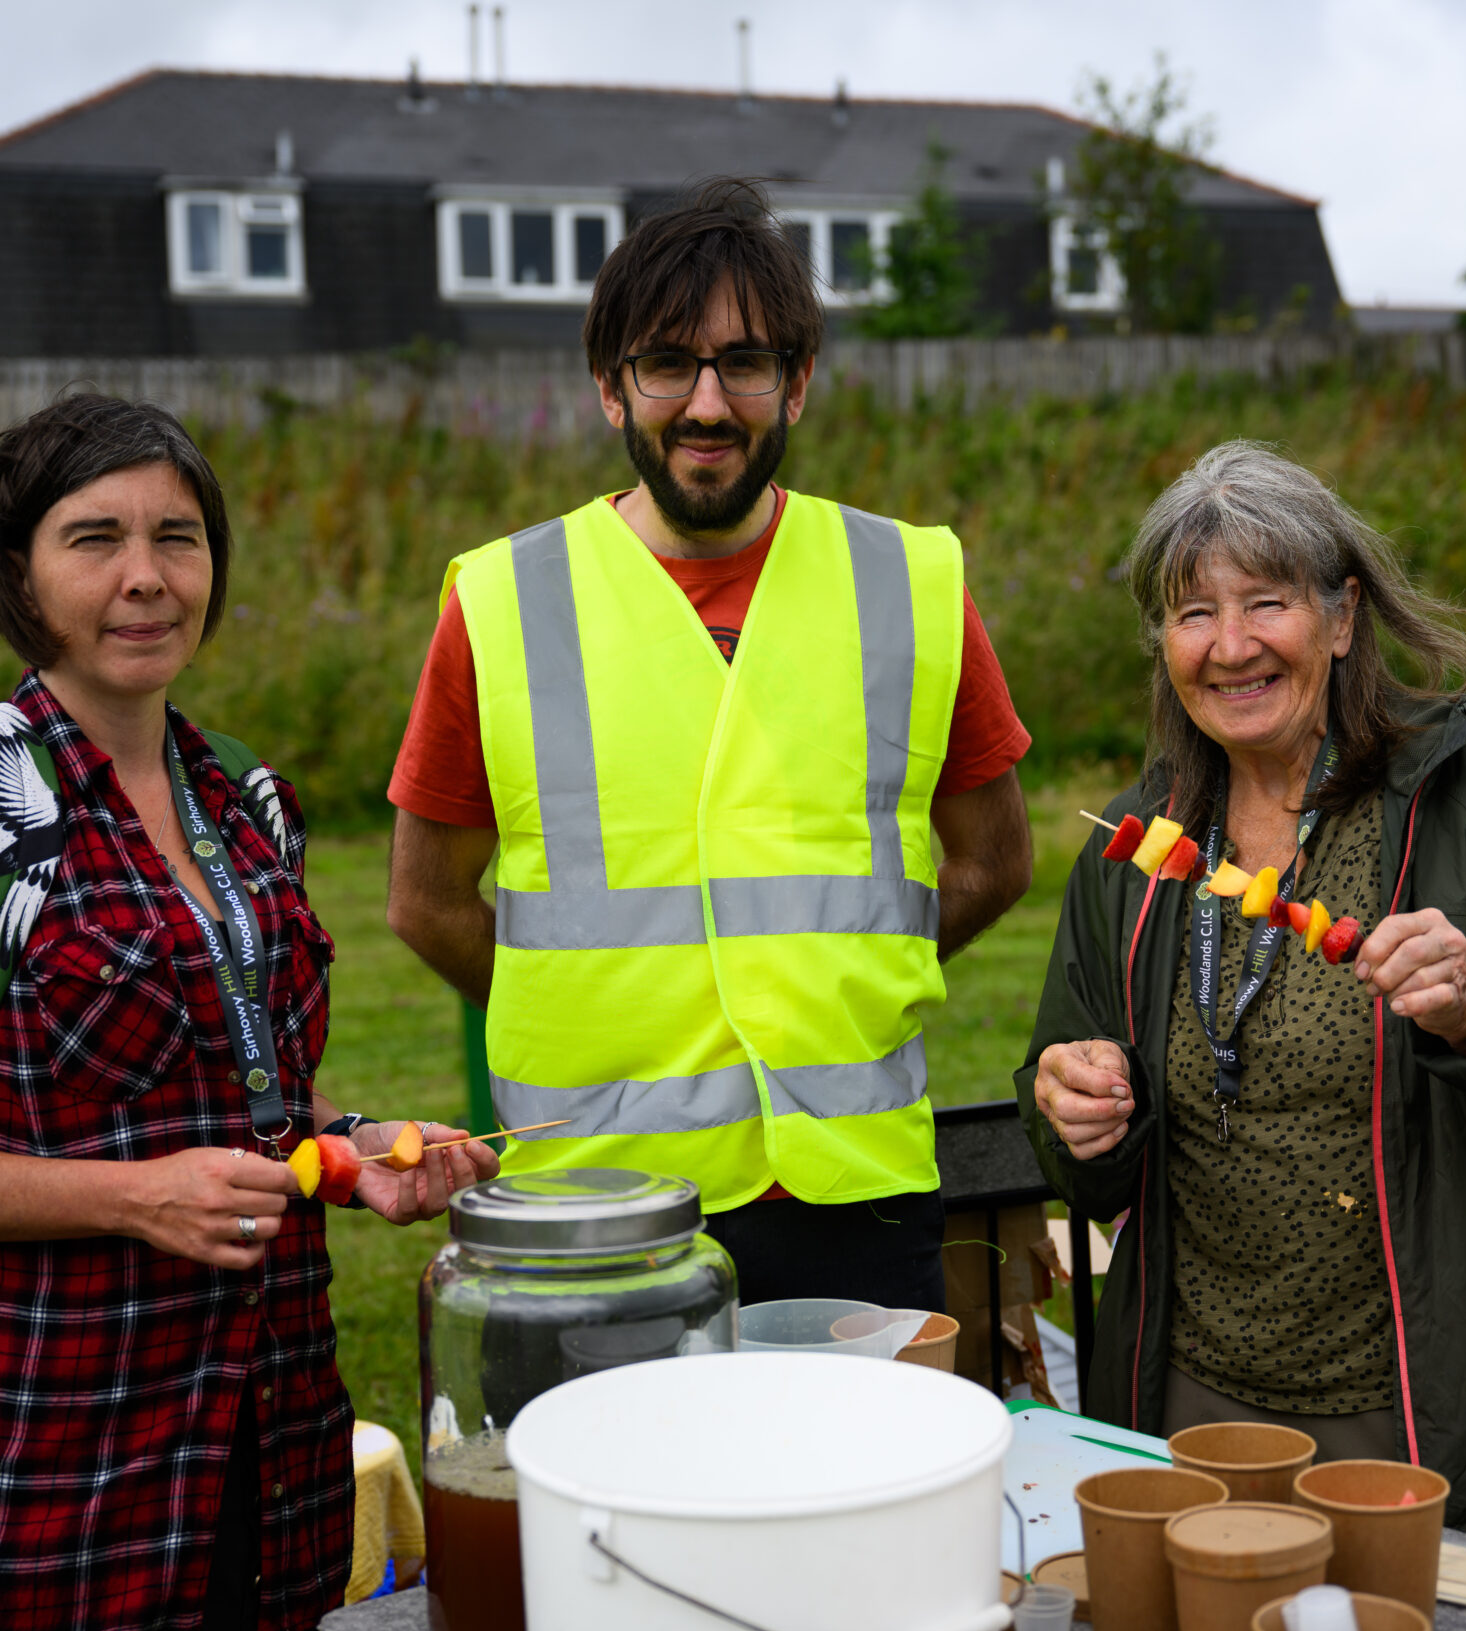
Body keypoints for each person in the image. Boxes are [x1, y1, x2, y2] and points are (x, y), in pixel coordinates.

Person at [0, 394, 497, 1631]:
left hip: (277, 1477)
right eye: (93, 535)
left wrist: (351, 1153)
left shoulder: (244, 794)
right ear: (21, 571)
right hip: (63, 1495)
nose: (145, 575)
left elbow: (247, 1085)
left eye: (178, 535)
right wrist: (133, 1197)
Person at [386, 178, 1035, 1311]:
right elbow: (426, 899)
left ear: (799, 383)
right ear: (609, 389)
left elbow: (993, 860)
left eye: (745, 363)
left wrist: (851, 978)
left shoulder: (911, 581)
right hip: (596, 1202)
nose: (706, 402)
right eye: (665, 363)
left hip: (855, 1197)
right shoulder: (499, 600)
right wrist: (596, 1006)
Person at [1019, 441, 1466, 1549]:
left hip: (1422, 1413)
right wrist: (1069, 1109)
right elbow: (1067, 1130)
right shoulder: (1137, 850)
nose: (1229, 647)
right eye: (1190, 615)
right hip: (1192, 1411)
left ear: (1343, 616)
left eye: (1266, 603)